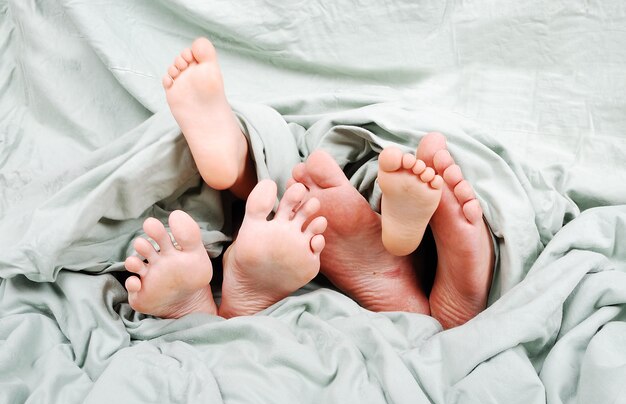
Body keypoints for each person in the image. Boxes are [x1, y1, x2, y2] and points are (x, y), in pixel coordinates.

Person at [124, 38, 495, 329]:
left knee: (287, 189)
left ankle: (240, 167)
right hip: (288, 220)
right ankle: (435, 293)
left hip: (261, 208)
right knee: (290, 194)